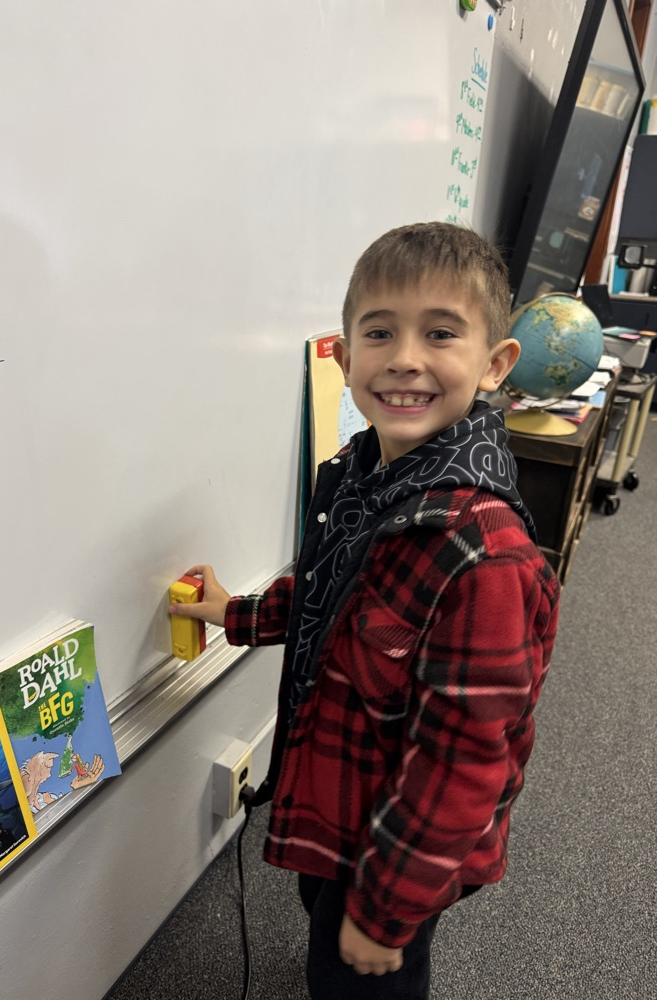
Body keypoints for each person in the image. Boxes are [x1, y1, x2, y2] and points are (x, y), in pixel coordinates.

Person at [169, 222, 560, 1000]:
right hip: (338, 803)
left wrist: (386, 914)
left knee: (361, 976)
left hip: (400, 847)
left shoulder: (485, 557)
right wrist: (231, 613)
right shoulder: (364, 471)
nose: (405, 357)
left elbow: (461, 766)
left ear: (494, 364)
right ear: (346, 358)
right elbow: (328, 594)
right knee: (323, 916)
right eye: (380, 333)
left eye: (440, 334)